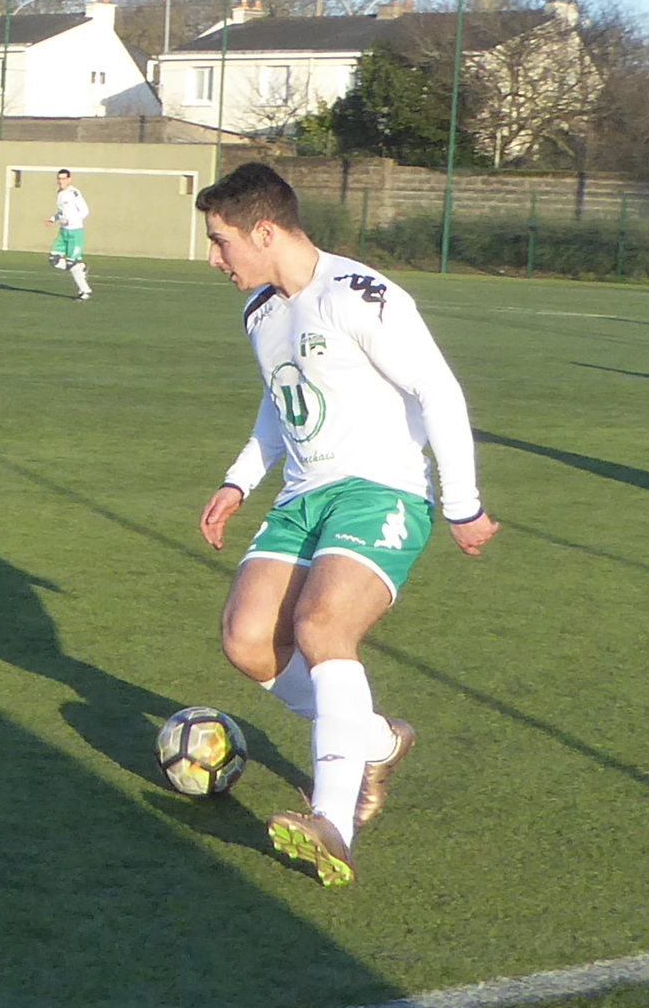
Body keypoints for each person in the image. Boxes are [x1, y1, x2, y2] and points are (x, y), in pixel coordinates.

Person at [194, 162, 499, 887]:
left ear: (263, 233)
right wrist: (239, 478)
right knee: (246, 640)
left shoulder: (359, 294)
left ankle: (333, 820)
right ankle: (374, 741)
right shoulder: (261, 311)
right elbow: (281, 399)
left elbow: (438, 389)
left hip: (381, 490)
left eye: (220, 241)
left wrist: (461, 501)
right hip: (304, 496)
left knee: (321, 626)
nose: (213, 259)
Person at [49, 169, 92, 300]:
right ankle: (81, 267)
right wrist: (53, 219)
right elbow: (62, 212)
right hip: (63, 232)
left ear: (69, 179)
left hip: (75, 232)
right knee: (54, 260)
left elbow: (85, 211)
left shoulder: (74, 193)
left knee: (71, 264)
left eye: (63, 178)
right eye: (59, 178)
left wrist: (70, 221)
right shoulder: (60, 193)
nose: (60, 181)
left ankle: (85, 291)